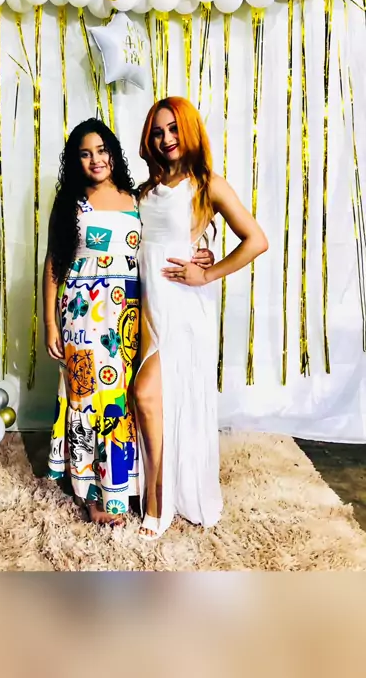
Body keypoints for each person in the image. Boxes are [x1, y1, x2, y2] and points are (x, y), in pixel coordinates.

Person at [44, 118, 214, 527]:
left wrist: (204, 254)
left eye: (102, 151)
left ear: (113, 153)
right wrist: (50, 324)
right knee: (88, 397)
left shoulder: (137, 197)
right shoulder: (71, 202)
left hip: (130, 313)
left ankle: (125, 486)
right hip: (82, 313)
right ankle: (91, 493)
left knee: (123, 399)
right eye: (85, 154)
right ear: (75, 161)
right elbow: (53, 264)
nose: (95, 160)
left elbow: (169, 236)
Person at [134, 96, 269, 540]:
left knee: (158, 396)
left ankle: (160, 501)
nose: (166, 138)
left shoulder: (208, 185)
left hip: (183, 308)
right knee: (151, 400)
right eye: (158, 132)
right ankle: (154, 488)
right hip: (145, 307)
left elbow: (256, 240)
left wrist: (207, 271)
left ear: (189, 130)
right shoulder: (144, 192)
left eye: (173, 128)